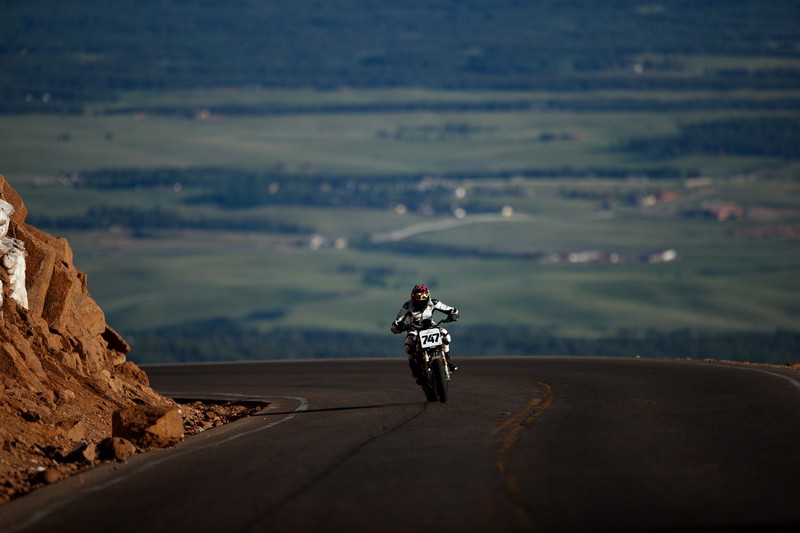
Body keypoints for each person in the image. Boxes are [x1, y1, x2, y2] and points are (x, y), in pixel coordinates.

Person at [390, 283, 460, 379]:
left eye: (423, 301)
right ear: (413, 298)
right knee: (409, 347)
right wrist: (396, 327)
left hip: (430, 326)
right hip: (413, 329)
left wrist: (453, 314)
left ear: (428, 297)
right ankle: (414, 367)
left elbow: (451, 309)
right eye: (417, 301)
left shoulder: (433, 302)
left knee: (446, 336)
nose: (420, 304)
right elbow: (398, 321)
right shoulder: (407, 306)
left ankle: (448, 359)